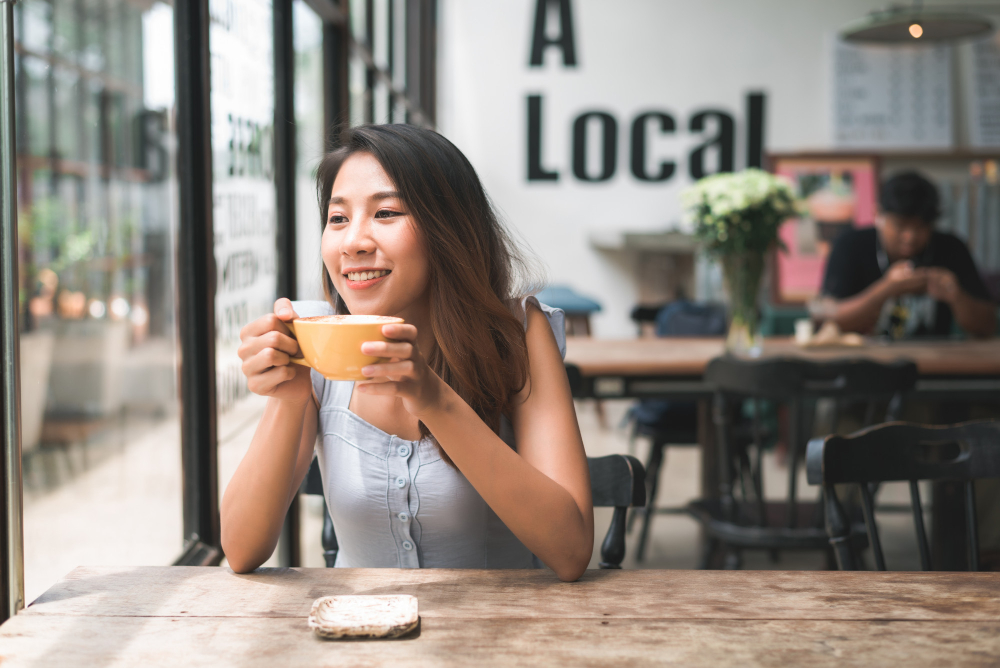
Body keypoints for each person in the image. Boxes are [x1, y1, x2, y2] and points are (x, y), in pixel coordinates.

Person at [221, 125, 594, 581]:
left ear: (447, 230)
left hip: (497, 639)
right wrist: (289, 397)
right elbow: (240, 550)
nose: (354, 242)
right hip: (356, 641)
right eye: (338, 219)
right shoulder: (314, 340)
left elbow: (571, 551)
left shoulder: (517, 336)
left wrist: (433, 400)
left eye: (386, 213)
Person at [819, 171, 996, 339]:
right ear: (877, 215)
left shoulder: (952, 247)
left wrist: (957, 296)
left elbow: (988, 327)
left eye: (920, 226)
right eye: (900, 225)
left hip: (936, 364)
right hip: (864, 365)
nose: (910, 237)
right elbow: (824, 320)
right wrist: (886, 289)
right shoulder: (850, 244)